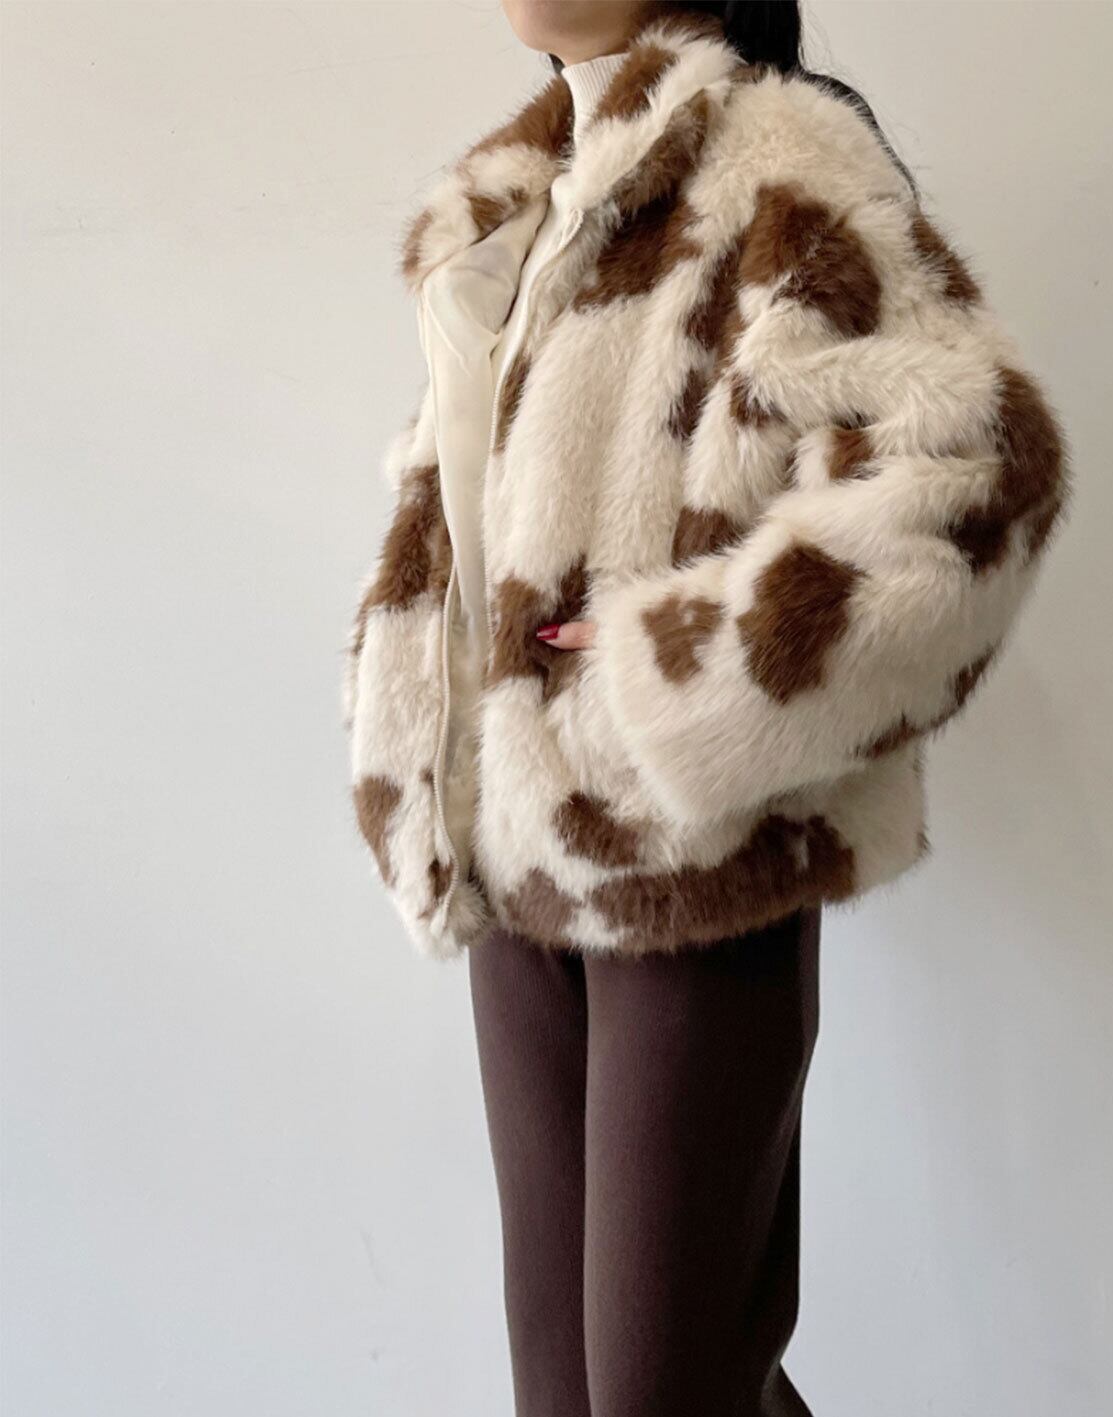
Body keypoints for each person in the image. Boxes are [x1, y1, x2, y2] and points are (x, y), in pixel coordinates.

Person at [343, 2, 1069, 1411]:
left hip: (696, 863)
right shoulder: (525, 195)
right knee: (567, 1389)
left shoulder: (772, 157)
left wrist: (661, 683)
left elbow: (980, 472)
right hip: (517, 857)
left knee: (659, 1386)